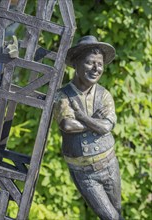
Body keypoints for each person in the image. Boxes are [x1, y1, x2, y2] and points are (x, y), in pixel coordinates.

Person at [54, 35, 123, 220]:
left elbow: (106, 126)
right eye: (90, 63)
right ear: (76, 64)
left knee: (118, 211)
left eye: (99, 64)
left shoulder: (104, 95)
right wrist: (94, 123)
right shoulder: (63, 95)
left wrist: (83, 118)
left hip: (110, 164)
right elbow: (67, 125)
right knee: (111, 217)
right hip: (85, 174)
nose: (96, 69)